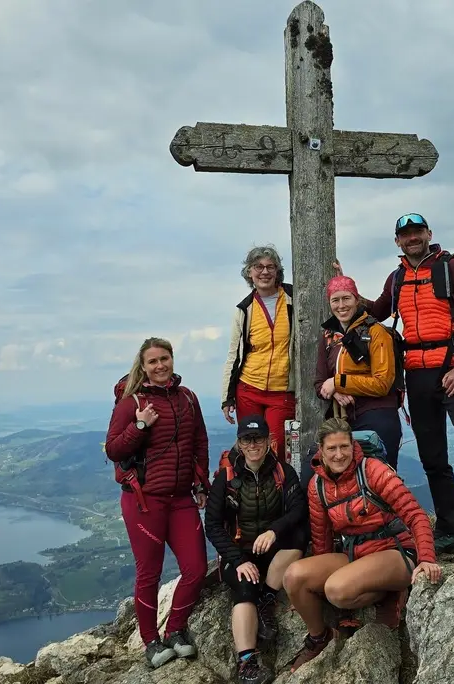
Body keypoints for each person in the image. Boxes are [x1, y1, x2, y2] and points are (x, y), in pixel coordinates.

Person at [334, 212, 454, 562]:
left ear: (428, 233)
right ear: (397, 241)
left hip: (453, 371)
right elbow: (377, 311)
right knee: (433, 457)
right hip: (417, 375)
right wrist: (346, 289)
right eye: (405, 234)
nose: (412, 238)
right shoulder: (397, 278)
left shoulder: (452, 269)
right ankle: (449, 531)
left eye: (417, 231)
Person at [282, 418, 441, 672]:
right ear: (321, 450)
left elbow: (415, 515)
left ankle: (391, 593)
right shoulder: (317, 486)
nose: (339, 455)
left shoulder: (372, 471)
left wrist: (427, 558)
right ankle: (319, 638)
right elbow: (322, 538)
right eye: (332, 448)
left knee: (337, 590)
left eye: (344, 446)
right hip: (356, 553)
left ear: (353, 445)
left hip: (395, 551)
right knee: (294, 577)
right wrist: (311, 589)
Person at [105, 337, 210, 670]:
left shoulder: (187, 398)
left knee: (196, 568)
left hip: (181, 499)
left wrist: (201, 483)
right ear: (143, 366)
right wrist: (140, 425)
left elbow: (199, 442)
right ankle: (151, 642)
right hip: (144, 501)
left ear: (172, 360)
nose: (160, 365)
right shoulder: (131, 402)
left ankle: (175, 629)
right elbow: (113, 449)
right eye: (153, 361)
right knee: (149, 574)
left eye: (165, 358)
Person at [204, 414, 308, 684]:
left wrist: (274, 531)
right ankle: (247, 663)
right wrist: (238, 559)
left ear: (268, 440)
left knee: (300, 536)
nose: (253, 445)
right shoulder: (225, 478)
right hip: (239, 552)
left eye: (258, 439)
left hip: (273, 548)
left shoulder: (283, 472)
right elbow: (212, 525)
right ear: (239, 443)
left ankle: (267, 600)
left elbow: (298, 509)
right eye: (247, 440)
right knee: (245, 588)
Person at [314, 274, 404, 468]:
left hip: (378, 414)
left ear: (357, 300)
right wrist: (336, 391)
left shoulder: (376, 332)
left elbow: (382, 384)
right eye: (335, 300)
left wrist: (338, 382)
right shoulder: (329, 337)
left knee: (381, 478)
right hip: (343, 420)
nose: (341, 305)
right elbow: (320, 383)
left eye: (346, 298)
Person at [221, 245, 297, 463]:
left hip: (282, 390)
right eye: (258, 267)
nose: (265, 272)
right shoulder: (244, 309)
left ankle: (278, 485)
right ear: (249, 272)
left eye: (270, 267)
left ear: (277, 271)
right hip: (248, 388)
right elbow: (234, 355)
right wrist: (227, 397)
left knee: (276, 449)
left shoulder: (294, 298)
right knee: (250, 446)